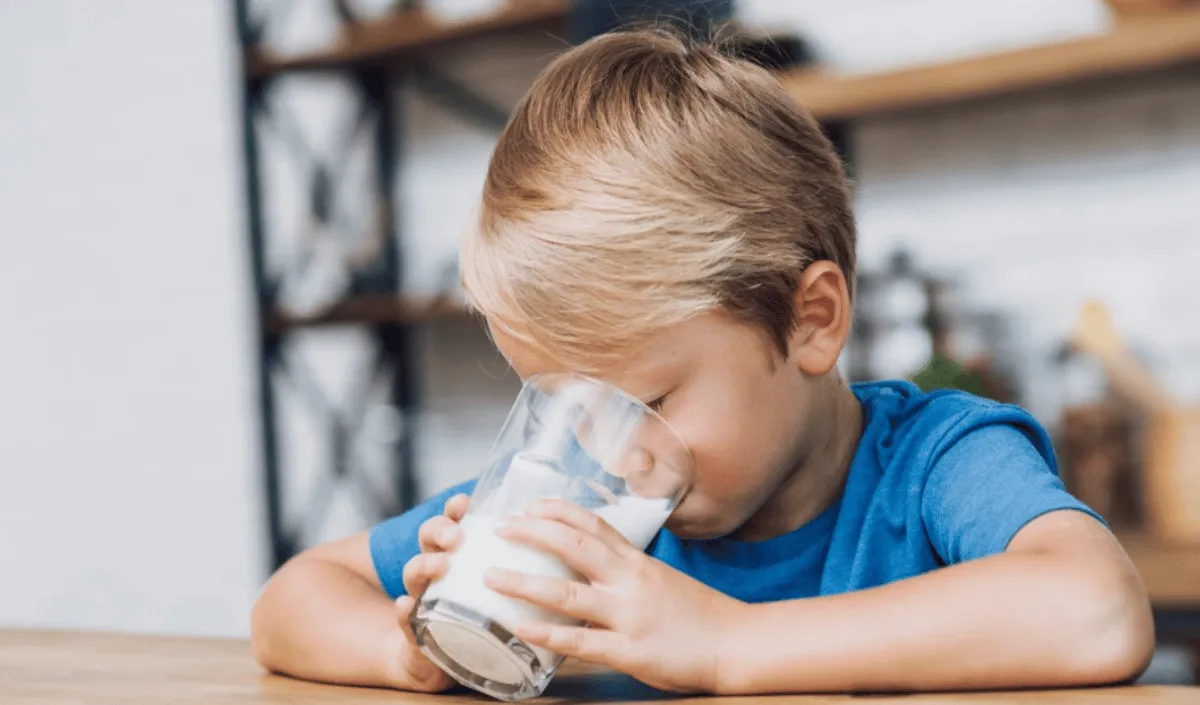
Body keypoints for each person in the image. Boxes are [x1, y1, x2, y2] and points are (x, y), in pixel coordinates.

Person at [250, 27, 1154, 695]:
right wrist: (404, 653)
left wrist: (727, 644)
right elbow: (294, 596)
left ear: (812, 321)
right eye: (561, 405)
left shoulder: (935, 464)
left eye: (646, 399)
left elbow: (1098, 610)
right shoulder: (586, 511)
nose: (607, 452)